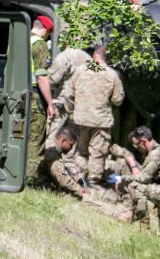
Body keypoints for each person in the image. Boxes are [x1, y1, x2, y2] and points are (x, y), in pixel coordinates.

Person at [53, 45, 124, 184]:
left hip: (81, 120)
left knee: (81, 152)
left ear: (95, 56)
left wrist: (72, 113)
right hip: (101, 122)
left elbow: (68, 95)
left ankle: (79, 179)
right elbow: (118, 100)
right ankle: (93, 184)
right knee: (97, 153)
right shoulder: (112, 75)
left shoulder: (79, 71)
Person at [112, 126, 160, 234]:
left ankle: (144, 231)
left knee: (136, 187)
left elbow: (143, 178)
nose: (136, 148)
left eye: (136, 145)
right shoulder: (156, 151)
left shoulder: (155, 154)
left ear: (144, 141)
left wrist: (123, 179)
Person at [44, 46, 90, 150]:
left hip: (63, 104)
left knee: (54, 138)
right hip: (81, 107)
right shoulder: (88, 59)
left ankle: (52, 161)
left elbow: (51, 80)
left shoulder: (65, 56)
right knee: (72, 140)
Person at [26, 15, 54, 183]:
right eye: (48, 34)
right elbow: (41, 77)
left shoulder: (17, 40)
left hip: (15, 94)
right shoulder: (39, 44)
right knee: (34, 139)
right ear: (45, 30)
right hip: (34, 96)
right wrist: (50, 103)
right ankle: (29, 180)